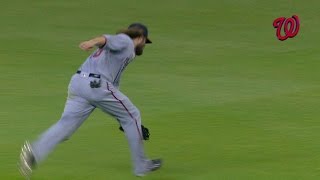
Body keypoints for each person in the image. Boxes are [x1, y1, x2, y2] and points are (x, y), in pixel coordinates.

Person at [18, 23, 162, 179]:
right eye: (144, 42)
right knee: (133, 115)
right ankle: (141, 166)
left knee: (65, 127)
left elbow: (114, 91)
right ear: (140, 37)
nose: (144, 46)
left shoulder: (121, 55)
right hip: (95, 85)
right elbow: (105, 39)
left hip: (78, 84)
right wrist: (91, 42)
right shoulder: (126, 41)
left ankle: (34, 152)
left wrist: (125, 121)